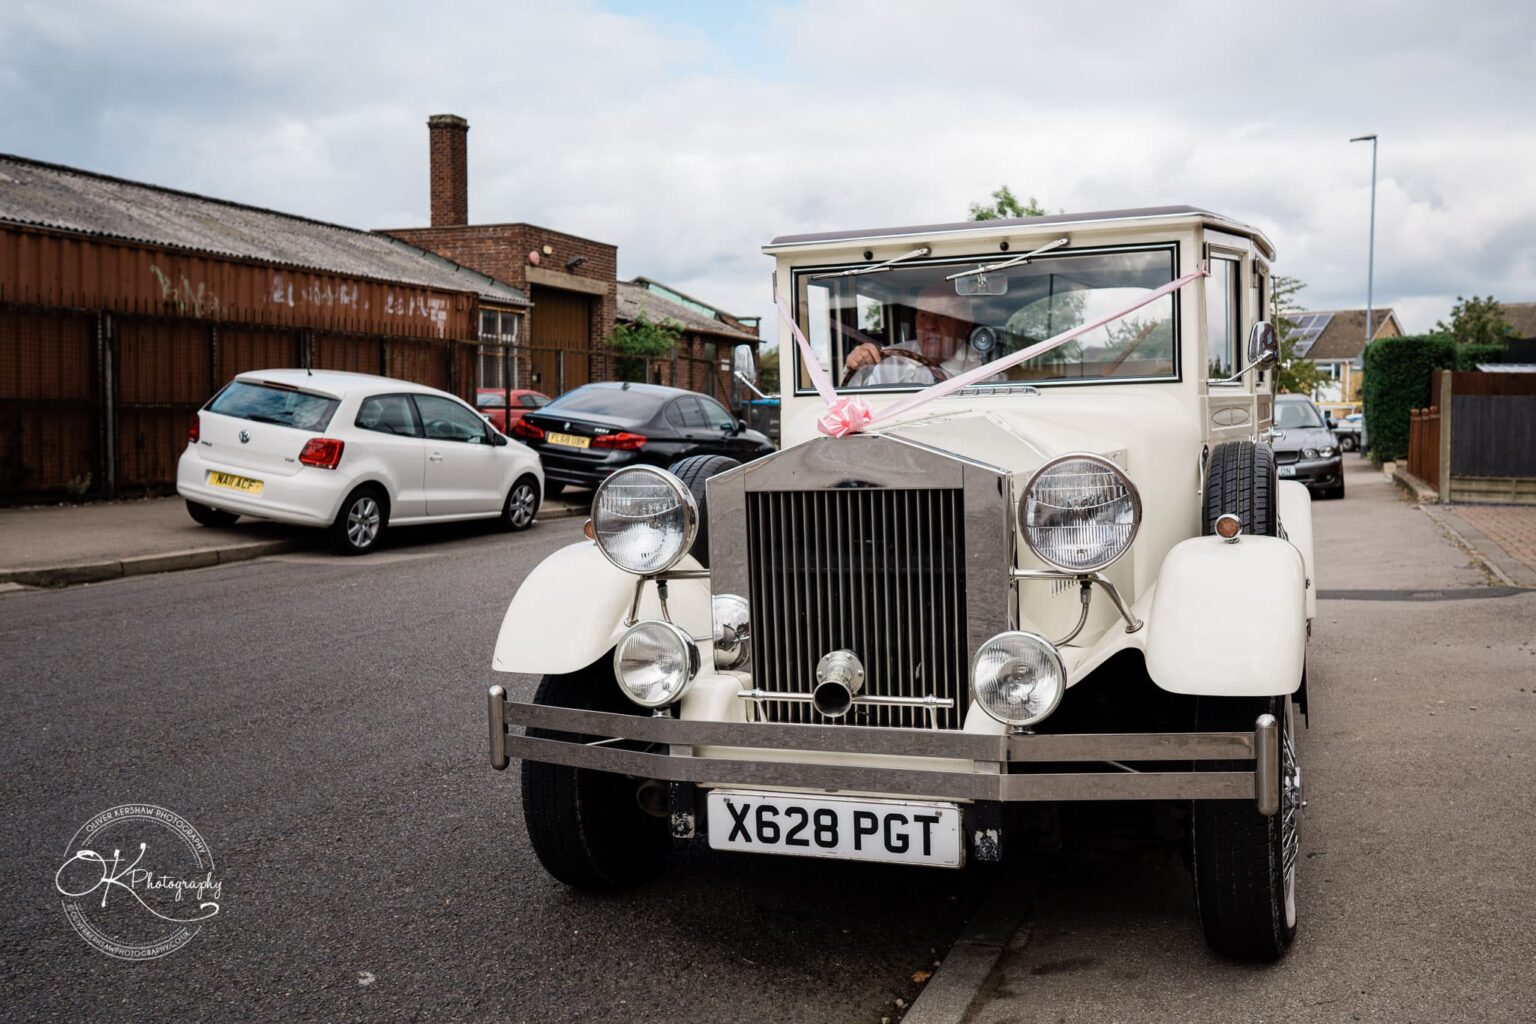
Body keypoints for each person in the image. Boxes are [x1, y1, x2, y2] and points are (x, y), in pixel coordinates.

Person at [841, 281, 995, 386]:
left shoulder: (988, 371)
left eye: (942, 315)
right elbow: (855, 407)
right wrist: (855, 366)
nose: (930, 325)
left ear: (966, 325)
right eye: (923, 315)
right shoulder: (890, 361)